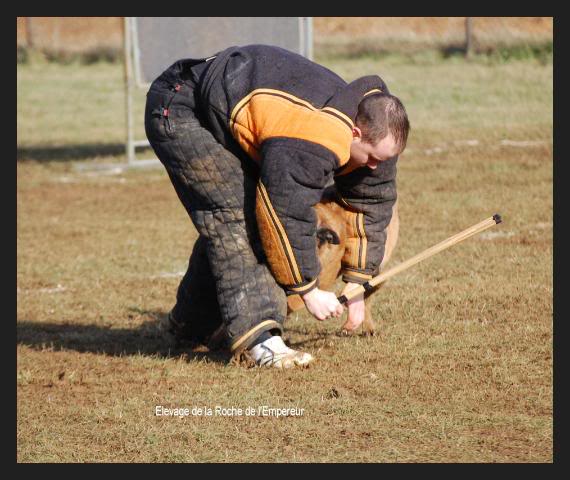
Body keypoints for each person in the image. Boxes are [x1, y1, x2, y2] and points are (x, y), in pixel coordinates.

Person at [144, 44, 410, 368]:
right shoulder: (314, 136)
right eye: (370, 158)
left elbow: (371, 203)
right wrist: (308, 290)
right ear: (355, 132)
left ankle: (191, 325)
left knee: (235, 210)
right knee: (236, 217)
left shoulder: (372, 131)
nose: (373, 167)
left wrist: (358, 282)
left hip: (230, 114)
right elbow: (284, 213)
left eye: (382, 160)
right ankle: (262, 343)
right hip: (181, 107)